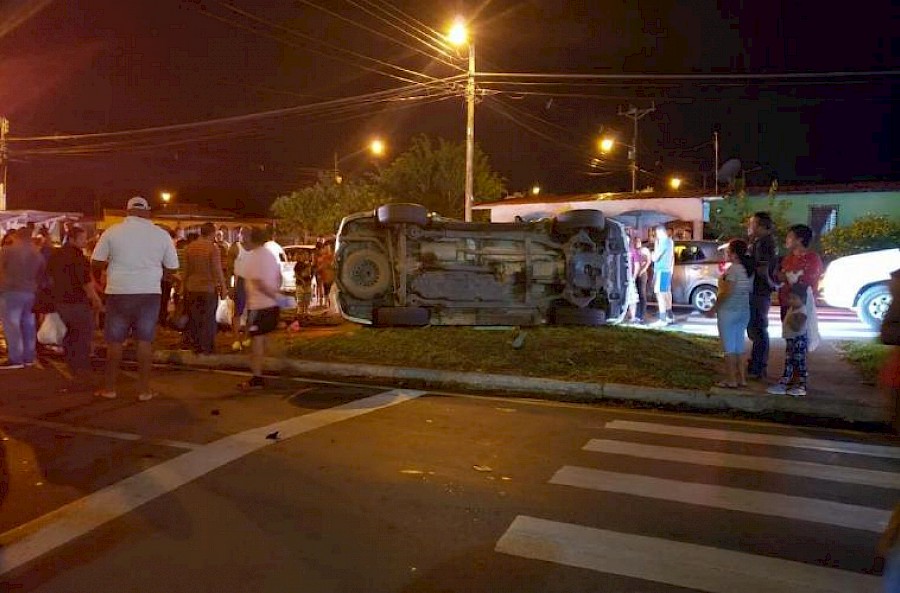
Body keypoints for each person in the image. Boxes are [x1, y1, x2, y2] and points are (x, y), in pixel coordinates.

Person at [91, 196, 179, 401]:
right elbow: (173, 267)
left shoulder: (112, 232)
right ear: (147, 212)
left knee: (115, 342)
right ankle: (144, 391)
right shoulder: (161, 235)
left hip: (118, 291)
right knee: (145, 342)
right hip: (149, 293)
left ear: (127, 211)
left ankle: (110, 389)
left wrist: (107, 271)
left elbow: (96, 261)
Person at [46, 226, 105, 381]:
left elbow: (49, 276)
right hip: (77, 301)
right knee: (83, 334)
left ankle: (71, 363)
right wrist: (96, 299)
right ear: (72, 239)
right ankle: (81, 368)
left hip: (60, 301)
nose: (85, 241)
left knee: (71, 333)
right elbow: (85, 282)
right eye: (82, 238)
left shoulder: (56, 255)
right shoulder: (79, 258)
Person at [240, 227, 282, 390]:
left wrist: (271, 294)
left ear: (252, 239)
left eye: (244, 237)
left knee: (256, 342)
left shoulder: (253, 258)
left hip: (259, 306)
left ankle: (257, 378)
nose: (243, 240)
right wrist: (277, 296)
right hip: (272, 306)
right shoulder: (271, 255)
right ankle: (282, 363)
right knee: (264, 337)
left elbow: (257, 282)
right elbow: (278, 277)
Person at [708, 238, 753, 388]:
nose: (725, 254)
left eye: (728, 251)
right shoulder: (746, 269)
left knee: (728, 348)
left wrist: (713, 308)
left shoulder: (733, 269)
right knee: (739, 345)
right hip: (743, 311)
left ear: (733, 254)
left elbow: (727, 291)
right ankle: (742, 379)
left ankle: (731, 379)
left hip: (729, 312)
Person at [0, 227, 45, 369]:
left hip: (11, 291)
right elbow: (42, 273)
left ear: (17, 236)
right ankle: (29, 357)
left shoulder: (8, 250)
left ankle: (15, 358)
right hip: (30, 292)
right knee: (29, 324)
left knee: (12, 325)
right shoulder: (36, 253)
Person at [182, 222, 228, 354]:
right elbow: (217, 270)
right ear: (212, 233)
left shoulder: (189, 248)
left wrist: (181, 288)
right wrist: (223, 288)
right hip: (208, 288)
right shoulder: (213, 249)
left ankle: (196, 345)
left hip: (191, 287)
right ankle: (207, 347)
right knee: (208, 318)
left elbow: (185, 270)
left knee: (195, 318)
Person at [746, 211, 778, 380]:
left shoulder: (765, 243)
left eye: (752, 224)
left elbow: (763, 268)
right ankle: (756, 364)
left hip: (759, 290)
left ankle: (758, 367)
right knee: (755, 327)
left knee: (758, 328)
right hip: (757, 290)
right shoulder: (759, 242)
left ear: (760, 226)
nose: (749, 227)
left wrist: (769, 283)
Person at [766, 283, 812, 396]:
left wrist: (791, 320)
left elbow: (797, 327)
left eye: (794, 298)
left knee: (799, 361)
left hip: (798, 340)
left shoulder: (802, 311)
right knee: (789, 361)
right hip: (791, 340)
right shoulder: (793, 309)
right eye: (790, 298)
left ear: (803, 299)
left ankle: (802, 384)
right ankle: (786, 381)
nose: (791, 301)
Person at [776, 224, 824, 321]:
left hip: (802, 305)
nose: (786, 239)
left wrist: (787, 277)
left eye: (789, 236)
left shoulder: (812, 258)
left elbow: (808, 281)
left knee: (799, 333)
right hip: (786, 302)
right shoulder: (788, 258)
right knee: (788, 333)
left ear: (800, 240)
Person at [226, 226, 251, 351]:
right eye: (243, 233)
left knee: (252, 312)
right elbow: (229, 269)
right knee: (238, 312)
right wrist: (229, 286)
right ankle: (236, 339)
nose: (245, 236)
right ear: (240, 235)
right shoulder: (235, 248)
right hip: (241, 281)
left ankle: (246, 337)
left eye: (248, 234)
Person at [650, 225, 675, 326]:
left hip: (661, 271)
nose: (656, 236)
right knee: (667, 294)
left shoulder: (663, 242)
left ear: (660, 232)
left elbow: (655, 257)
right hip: (667, 271)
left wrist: (652, 253)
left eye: (656, 234)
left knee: (660, 294)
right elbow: (672, 256)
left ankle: (662, 319)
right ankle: (670, 316)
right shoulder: (670, 241)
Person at [632, 236, 651, 324]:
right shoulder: (633, 251)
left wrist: (642, 271)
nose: (637, 243)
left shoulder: (644, 250)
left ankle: (641, 315)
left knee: (642, 294)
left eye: (638, 241)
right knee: (636, 295)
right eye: (635, 242)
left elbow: (648, 261)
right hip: (635, 274)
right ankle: (636, 314)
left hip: (642, 274)